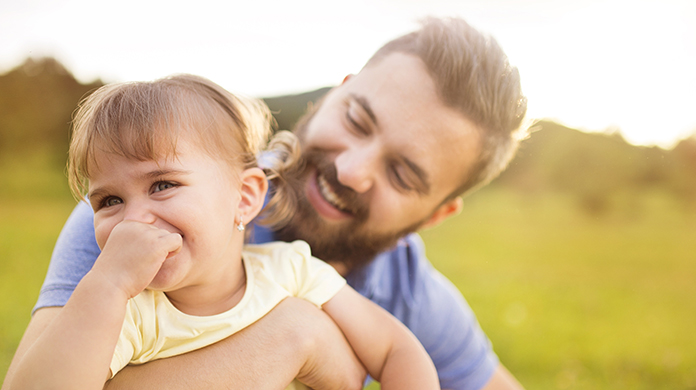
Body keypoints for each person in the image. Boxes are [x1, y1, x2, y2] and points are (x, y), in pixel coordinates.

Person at [4, 16, 529, 390]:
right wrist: (295, 339)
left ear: (435, 215)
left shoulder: (402, 286)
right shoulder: (137, 220)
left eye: (401, 173)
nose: (350, 169)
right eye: (357, 120)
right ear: (331, 96)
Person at [5, 74, 440, 390]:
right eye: (108, 201)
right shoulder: (129, 315)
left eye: (163, 185)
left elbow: (395, 350)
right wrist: (107, 284)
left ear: (245, 197)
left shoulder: (291, 272)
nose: (133, 219)